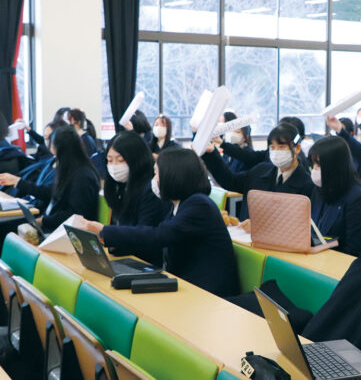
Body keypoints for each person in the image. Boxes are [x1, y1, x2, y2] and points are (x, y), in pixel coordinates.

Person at [77, 148, 239, 298]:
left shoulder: (199, 205)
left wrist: (105, 230)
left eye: (156, 174)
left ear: (173, 175)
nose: (153, 181)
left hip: (209, 293)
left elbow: (158, 235)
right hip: (187, 285)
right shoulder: (179, 204)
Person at [201, 122, 314, 220]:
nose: (276, 152)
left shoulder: (307, 184)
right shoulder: (260, 171)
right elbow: (230, 181)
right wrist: (211, 154)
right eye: (272, 147)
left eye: (282, 147)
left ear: (297, 148)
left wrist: (259, 226)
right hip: (245, 240)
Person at [10, 126, 99, 232]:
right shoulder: (69, 168)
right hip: (58, 226)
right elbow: (50, 192)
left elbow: (74, 215)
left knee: (11, 229)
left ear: (57, 149)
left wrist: (43, 220)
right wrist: (19, 183)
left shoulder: (82, 175)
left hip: (69, 232)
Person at [103, 132, 172, 264]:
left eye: (121, 160)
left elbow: (146, 236)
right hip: (128, 257)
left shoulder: (151, 189)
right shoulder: (123, 186)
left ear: (136, 158)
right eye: (110, 160)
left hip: (148, 262)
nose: (114, 166)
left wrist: (108, 235)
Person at [308, 136, 361, 256]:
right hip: (317, 259)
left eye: (319, 165)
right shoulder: (318, 191)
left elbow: (357, 250)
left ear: (335, 166)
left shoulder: (358, 199)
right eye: (313, 164)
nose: (314, 170)